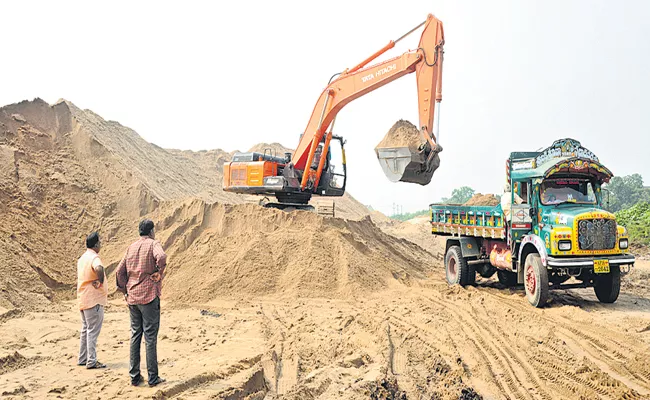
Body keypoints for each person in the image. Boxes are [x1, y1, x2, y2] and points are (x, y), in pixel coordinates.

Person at [116, 219, 167, 387]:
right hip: (149, 296)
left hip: (133, 297)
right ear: (151, 231)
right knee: (150, 337)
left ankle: (135, 376)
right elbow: (162, 257)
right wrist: (158, 272)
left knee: (135, 335)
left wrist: (124, 290)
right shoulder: (153, 244)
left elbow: (119, 271)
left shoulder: (131, 247)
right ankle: (153, 378)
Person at [77, 232, 108, 369]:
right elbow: (99, 268)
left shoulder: (82, 258)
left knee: (86, 329)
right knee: (92, 331)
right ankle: (91, 361)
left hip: (83, 298)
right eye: (99, 243)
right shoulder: (94, 257)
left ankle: (83, 358)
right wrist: (99, 282)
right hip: (93, 299)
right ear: (96, 245)